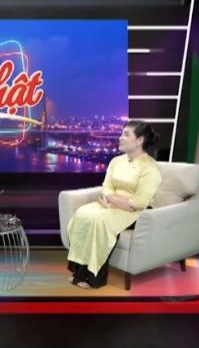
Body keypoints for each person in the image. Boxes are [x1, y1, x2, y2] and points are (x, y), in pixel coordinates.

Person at [66, 120, 162, 289]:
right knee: (82, 213)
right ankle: (78, 273)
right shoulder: (116, 161)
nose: (120, 138)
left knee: (101, 221)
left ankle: (95, 278)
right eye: (121, 134)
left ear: (140, 140)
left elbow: (139, 202)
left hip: (137, 213)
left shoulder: (150, 168)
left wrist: (112, 201)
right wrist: (112, 200)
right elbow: (107, 187)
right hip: (114, 204)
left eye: (126, 135)